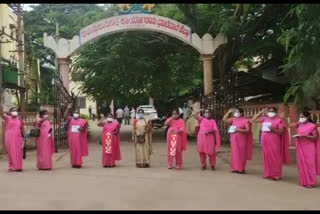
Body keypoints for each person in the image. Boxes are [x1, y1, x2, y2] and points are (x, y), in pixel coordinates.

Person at [251, 107, 290, 180]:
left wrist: (272, 129)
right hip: (265, 141)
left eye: (272, 111)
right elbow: (253, 120)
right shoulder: (265, 119)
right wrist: (260, 112)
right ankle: (268, 173)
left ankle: (277, 175)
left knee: (275, 157)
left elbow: (281, 132)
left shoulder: (279, 120)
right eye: (269, 111)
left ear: (275, 112)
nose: (270, 112)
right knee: (266, 157)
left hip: (274, 141)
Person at [289, 111, 320, 188]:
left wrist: (305, 136)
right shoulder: (299, 124)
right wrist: (298, 122)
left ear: (308, 117)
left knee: (310, 164)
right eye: (300, 117)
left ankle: (311, 182)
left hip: (309, 147)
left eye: (302, 117)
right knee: (301, 164)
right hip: (300, 147)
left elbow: (315, 137)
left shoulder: (312, 126)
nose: (301, 118)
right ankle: (304, 181)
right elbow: (289, 125)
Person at [223, 107, 253, 174]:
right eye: (235, 112)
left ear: (241, 113)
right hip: (234, 139)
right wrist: (229, 112)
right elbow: (224, 119)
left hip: (242, 139)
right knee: (234, 153)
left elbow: (248, 130)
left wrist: (238, 130)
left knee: (242, 154)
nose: (235, 113)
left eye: (237, 112)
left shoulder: (245, 120)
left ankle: (241, 169)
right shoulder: (233, 119)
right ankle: (234, 168)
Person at [0, 106, 26, 172]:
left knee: (18, 152)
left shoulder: (19, 119)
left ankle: (18, 167)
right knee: (12, 151)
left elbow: (22, 128)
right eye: (13, 110)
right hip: (10, 137)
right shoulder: (8, 118)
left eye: (16, 110)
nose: (15, 111)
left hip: (18, 137)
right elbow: (2, 115)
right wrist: (1, 109)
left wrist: (25, 136)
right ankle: (12, 166)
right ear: (11, 112)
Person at [64, 104, 89, 168]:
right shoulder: (71, 119)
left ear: (79, 114)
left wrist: (81, 129)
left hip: (79, 138)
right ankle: (73, 163)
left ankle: (78, 163)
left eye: (77, 113)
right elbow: (65, 115)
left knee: (78, 150)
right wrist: (68, 108)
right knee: (72, 150)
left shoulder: (82, 121)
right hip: (72, 138)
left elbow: (85, 129)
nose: (76, 114)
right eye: (75, 113)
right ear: (73, 114)